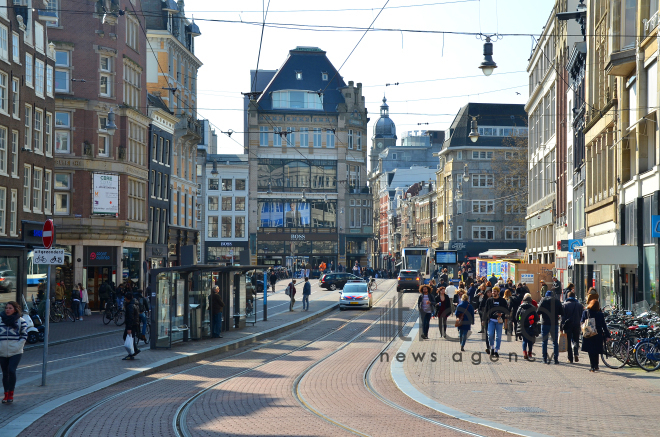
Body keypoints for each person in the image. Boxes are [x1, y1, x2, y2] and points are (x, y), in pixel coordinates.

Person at [0, 302, 27, 404]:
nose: (7, 310)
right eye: (6, 308)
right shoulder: (0, 320)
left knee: (11, 370)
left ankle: (11, 393)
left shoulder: (21, 321)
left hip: (15, 351)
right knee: (5, 373)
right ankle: (6, 394)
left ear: (15, 310)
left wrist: (17, 346)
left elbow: (24, 335)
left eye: (10, 308)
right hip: (2, 351)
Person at [581, 298, 610, 372]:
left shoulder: (586, 312)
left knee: (590, 350)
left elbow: (582, 322)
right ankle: (596, 365)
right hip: (598, 334)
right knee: (596, 350)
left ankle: (592, 366)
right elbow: (604, 325)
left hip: (588, 334)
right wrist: (607, 335)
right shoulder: (600, 314)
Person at [538, 290, 563, 364]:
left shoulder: (543, 301)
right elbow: (562, 312)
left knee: (544, 341)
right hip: (554, 323)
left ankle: (544, 358)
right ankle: (556, 359)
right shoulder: (557, 301)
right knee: (555, 342)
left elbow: (538, 312)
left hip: (545, 323)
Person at [484, 286, 508, 357]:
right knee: (490, 335)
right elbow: (485, 310)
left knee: (498, 336)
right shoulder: (489, 300)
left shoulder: (502, 300)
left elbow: (506, 310)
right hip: (491, 320)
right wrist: (484, 320)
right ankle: (492, 347)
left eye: (494, 291)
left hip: (499, 321)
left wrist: (502, 314)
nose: (493, 293)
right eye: (492, 291)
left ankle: (496, 350)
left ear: (498, 292)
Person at [562, 291, 584, 364]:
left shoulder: (565, 305)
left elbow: (563, 317)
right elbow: (582, 316)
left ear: (568, 297)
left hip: (568, 325)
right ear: (575, 297)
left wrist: (561, 327)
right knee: (576, 340)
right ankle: (576, 353)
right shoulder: (579, 305)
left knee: (568, 341)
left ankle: (570, 358)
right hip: (577, 325)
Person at [516, 294, 538, 360]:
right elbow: (536, 318)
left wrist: (519, 321)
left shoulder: (520, 307)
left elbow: (517, 316)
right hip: (531, 326)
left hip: (523, 326)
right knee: (530, 340)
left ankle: (524, 353)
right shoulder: (532, 308)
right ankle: (530, 353)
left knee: (524, 340)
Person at [122, 294, 140, 360]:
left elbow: (130, 317)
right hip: (135, 324)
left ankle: (132, 353)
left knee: (127, 337)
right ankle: (134, 350)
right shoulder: (135, 304)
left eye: (125, 298)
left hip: (131, 325)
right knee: (131, 338)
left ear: (127, 298)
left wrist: (129, 327)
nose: (124, 299)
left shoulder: (130, 306)